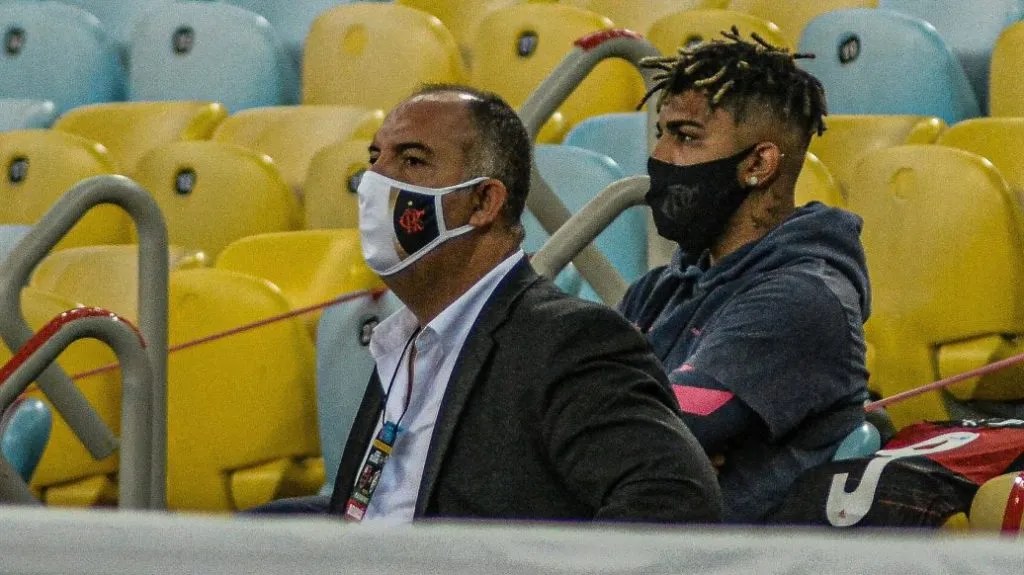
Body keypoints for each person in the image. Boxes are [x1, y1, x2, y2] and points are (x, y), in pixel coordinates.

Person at [259, 84, 722, 524]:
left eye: (412, 161)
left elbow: (672, 499)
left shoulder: (569, 341)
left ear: (483, 201)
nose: (375, 183)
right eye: (375, 159)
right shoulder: (403, 341)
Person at [618, 29, 871, 523]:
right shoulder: (654, 292)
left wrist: (656, 450)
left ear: (758, 163)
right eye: (661, 134)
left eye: (686, 137)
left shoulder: (803, 300)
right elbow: (580, 420)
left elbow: (655, 435)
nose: (662, 158)